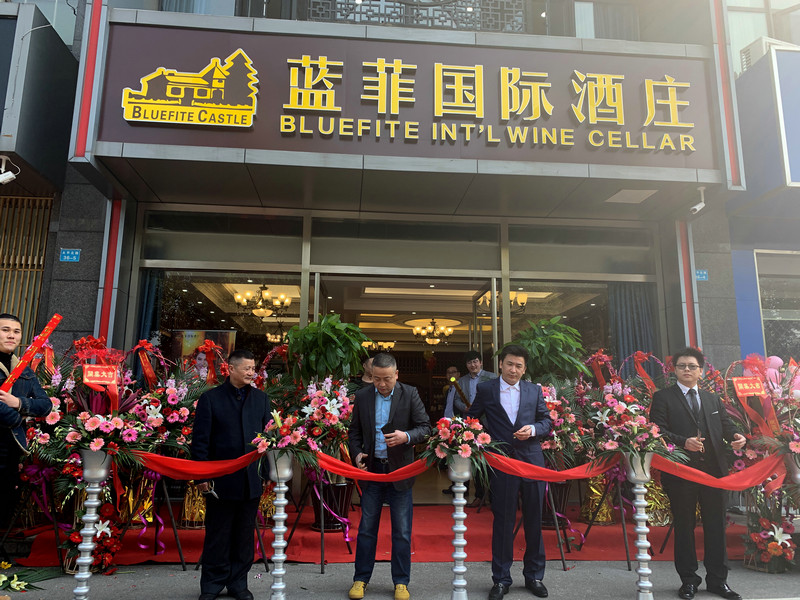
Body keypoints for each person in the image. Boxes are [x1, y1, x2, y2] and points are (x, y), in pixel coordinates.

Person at [650, 347, 746, 600]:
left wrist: (737, 436)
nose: (687, 370)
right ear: (674, 370)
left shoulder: (712, 399)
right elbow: (656, 430)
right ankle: (688, 581)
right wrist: (683, 442)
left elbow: (726, 426)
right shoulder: (663, 397)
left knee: (716, 527)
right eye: (682, 366)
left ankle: (718, 581)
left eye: (692, 366)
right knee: (684, 526)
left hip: (714, 472)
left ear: (700, 371)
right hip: (681, 472)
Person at [467, 344, 552, 600]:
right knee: (503, 521)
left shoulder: (534, 390)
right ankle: (501, 579)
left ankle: (534, 576)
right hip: (502, 462)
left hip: (531, 461)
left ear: (524, 369)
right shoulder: (486, 389)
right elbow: (472, 419)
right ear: (500, 365)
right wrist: (484, 440)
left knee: (534, 519)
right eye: (509, 364)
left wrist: (533, 429)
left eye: (519, 366)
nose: (513, 370)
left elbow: (546, 421)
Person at [347, 352, 431, 600]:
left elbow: (426, 428)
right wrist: (357, 454)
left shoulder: (410, 393)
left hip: (400, 471)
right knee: (366, 529)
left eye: (387, 379)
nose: (381, 384)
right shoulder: (363, 396)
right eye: (376, 379)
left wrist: (406, 436)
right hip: (372, 470)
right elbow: (354, 432)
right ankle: (360, 579)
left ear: (396, 375)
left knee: (402, 531)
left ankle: (401, 582)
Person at [191, 349, 271, 600]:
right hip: (219, 480)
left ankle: (238, 583)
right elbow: (200, 442)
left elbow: (269, 439)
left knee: (244, 535)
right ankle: (212, 585)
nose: (251, 373)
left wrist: (266, 474)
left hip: (250, 478)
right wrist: (201, 476)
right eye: (247, 368)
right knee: (218, 534)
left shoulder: (261, 399)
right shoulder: (211, 399)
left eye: (253, 368)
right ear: (231, 369)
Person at [0, 313, 52, 530]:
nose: (11, 335)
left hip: (12, 446)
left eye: (16, 331)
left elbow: (45, 405)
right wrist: (16, 418)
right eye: (5, 330)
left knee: (5, 501)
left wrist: (18, 403)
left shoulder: (23, 369)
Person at [444, 351, 496, 503]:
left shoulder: (492, 377)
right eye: (469, 363)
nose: (473, 365)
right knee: (475, 460)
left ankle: (493, 495)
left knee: (492, 459)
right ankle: (479, 495)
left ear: (481, 362)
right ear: (466, 365)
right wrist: (465, 408)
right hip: (470, 424)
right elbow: (456, 400)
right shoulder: (462, 381)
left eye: (475, 361)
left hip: (489, 423)